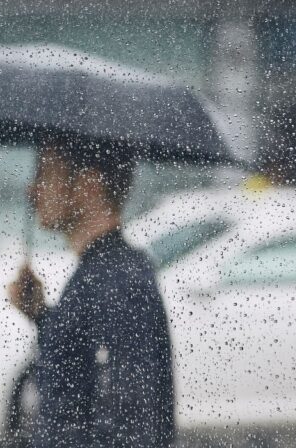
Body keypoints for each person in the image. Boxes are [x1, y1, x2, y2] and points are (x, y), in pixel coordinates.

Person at [9, 135, 175, 447]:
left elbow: (133, 419)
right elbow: (78, 374)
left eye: (45, 175)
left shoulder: (118, 281)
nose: (31, 191)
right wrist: (41, 315)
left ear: (88, 185)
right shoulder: (100, 272)